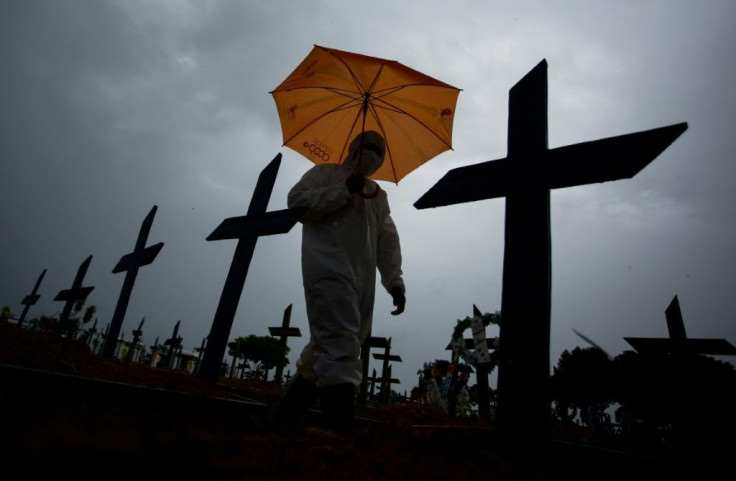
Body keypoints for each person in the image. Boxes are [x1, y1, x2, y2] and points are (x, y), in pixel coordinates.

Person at [270, 130, 406, 435]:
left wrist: (394, 281)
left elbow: (387, 240)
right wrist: (344, 189)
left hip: (363, 279)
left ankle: (282, 421)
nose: (372, 154)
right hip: (327, 267)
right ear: (353, 147)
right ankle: (338, 432)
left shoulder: (378, 196)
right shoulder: (324, 174)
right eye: (367, 147)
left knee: (328, 348)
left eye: (378, 152)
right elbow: (298, 204)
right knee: (341, 342)